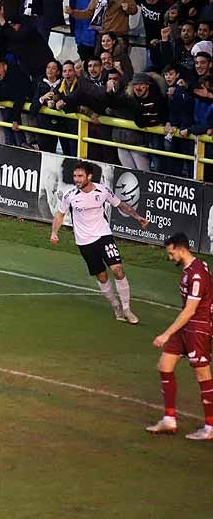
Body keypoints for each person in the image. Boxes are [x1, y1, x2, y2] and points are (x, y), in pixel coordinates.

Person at [49, 161, 149, 324]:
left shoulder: (102, 191)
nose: (77, 180)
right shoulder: (70, 196)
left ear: (89, 176)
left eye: (80, 176)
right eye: (75, 176)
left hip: (104, 236)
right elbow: (60, 215)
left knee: (118, 270)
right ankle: (115, 305)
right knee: (102, 276)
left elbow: (120, 205)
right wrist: (54, 232)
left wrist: (138, 218)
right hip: (84, 242)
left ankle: (127, 309)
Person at [147, 233, 213, 440]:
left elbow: (189, 311)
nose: (170, 257)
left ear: (181, 248)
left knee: (203, 376)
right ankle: (169, 419)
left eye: (171, 252)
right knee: (164, 365)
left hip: (197, 329)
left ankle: (210, 427)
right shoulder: (192, 268)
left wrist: (166, 334)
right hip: (186, 328)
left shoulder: (196, 275)